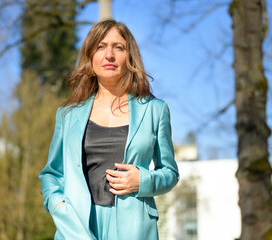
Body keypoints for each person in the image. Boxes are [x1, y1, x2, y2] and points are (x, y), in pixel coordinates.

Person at [39, 19, 179, 240]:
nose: (109, 55)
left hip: (134, 228)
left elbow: (170, 173)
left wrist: (142, 181)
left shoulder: (155, 110)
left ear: (129, 57)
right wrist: (57, 206)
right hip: (76, 228)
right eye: (101, 46)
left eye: (118, 47)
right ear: (91, 56)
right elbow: (51, 174)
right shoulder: (68, 115)